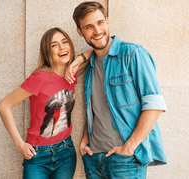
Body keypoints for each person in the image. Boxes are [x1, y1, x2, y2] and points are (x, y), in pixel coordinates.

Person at [65, 1, 167, 179]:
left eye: (100, 23)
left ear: (107, 22)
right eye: (89, 27)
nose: (97, 31)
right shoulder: (89, 66)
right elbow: (94, 108)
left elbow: (154, 105)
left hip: (125, 160)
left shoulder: (133, 54)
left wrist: (129, 147)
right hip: (93, 158)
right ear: (80, 32)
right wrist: (84, 140)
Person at [0, 27, 92, 179]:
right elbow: (4, 105)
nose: (62, 47)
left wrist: (78, 60)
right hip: (37, 156)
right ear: (47, 51)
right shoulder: (40, 77)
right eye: (54, 45)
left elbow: (95, 49)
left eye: (65, 42)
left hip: (66, 152)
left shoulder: (70, 74)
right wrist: (19, 144)